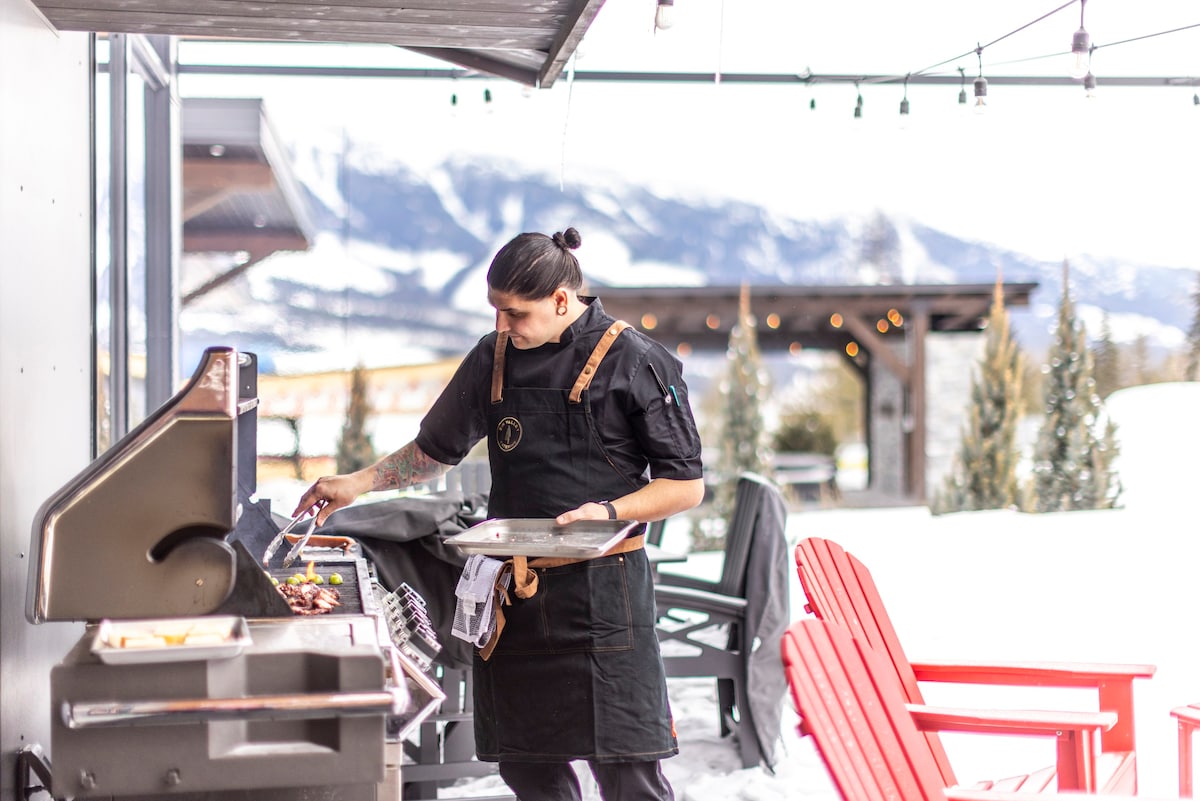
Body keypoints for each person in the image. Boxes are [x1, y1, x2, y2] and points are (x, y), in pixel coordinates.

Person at [293, 226, 705, 801]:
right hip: (511, 595)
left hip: (604, 598)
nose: (501, 327)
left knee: (627, 771)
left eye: (515, 314)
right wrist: (356, 483)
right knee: (526, 766)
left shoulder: (636, 361)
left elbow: (684, 486)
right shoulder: (493, 358)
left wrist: (610, 510)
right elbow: (433, 452)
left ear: (562, 300)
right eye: (496, 313)